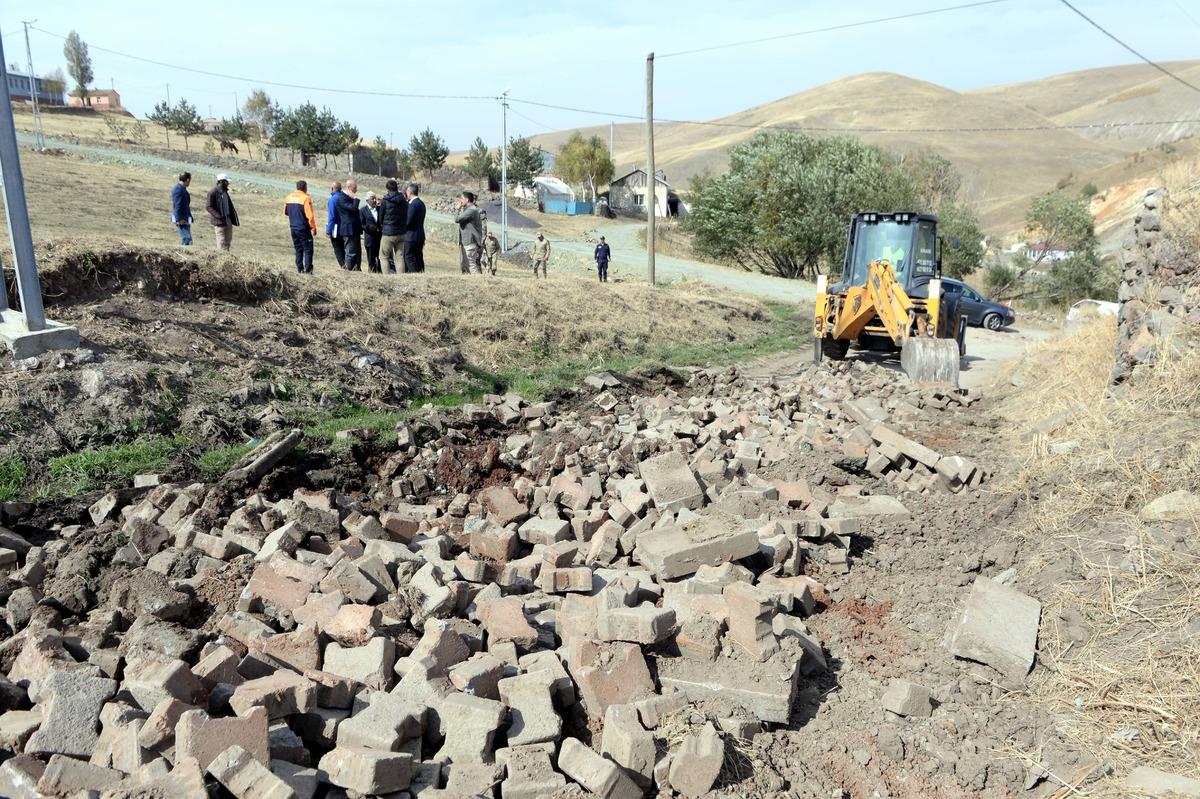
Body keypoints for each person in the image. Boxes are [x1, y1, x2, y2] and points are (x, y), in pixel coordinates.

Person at [284, 180, 317, 274]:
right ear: (305, 187)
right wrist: (313, 227)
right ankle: (308, 270)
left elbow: (286, 212)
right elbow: (309, 215)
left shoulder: (288, 197)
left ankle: (299, 268)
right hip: (303, 228)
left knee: (298, 248)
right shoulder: (306, 198)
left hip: (293, 227)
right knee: (308, 249)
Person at [379, 179, 408, 274]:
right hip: (401, 232)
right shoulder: (403, 200)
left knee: (384, 256)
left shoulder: (385, 201)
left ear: (387, 189)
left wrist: (382, 225)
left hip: (388, 233)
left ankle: (387, 278)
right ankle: (401, 278)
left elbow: (380, 217)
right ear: (397, 188)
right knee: (399, 257)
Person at [206, 173, 239, 251]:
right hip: (219, 221)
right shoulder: (212, 192)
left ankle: (226, 255)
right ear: (221, 182)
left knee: (228, 239)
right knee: (221, 240)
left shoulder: (225, 192)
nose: (228, 183)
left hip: (227, 219)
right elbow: (209, 207)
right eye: (226, 182)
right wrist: (217, 215)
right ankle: (221, 256)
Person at [336, 180, 363, 271]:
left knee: (357, 252)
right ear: (349, 188)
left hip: (355, 229)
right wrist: (355, 198)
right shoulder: (342, 198)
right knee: (350, 252)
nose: (356, 191)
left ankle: (357, 269)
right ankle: (349, 271)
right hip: (348, 229)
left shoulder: (349, 197)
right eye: (355, 188)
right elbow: (352, 208)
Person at [454, 191, 484, 275]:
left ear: (467, 200)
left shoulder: (471, 210)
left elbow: (457, 219)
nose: (460, 201)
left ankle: (481, 283)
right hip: (466, 241)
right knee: (465, 266)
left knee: (471, 265)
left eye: (462, 199)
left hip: (470, 241)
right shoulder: (469, 209)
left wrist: (457, 209)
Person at [403, 182, 426, 273]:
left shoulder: (413, 205)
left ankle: (414, 274)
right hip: (420, 235)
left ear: (410, 192)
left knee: (408, 256)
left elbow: (408, 221)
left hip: (411, 235)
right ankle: (421, 272)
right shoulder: (421, 203)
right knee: (418, 256)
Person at [360, 191, 383, 273]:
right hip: (370, 238)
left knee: (380, 258)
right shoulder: (363, 211)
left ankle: (380, 272)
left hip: (380, 238)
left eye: (375, 198)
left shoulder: (380, 209)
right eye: (372, 199)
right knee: (371, 259)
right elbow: (361, 224)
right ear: (367, 200)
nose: (374, 200)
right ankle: (372, 273)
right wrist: (368, 227)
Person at [325, 181, 346, 268]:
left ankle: (344, 267)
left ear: (332, 188)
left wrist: (328, 231)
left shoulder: (333, 199)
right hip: (346, 228)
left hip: (336, 230)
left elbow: (332, 216)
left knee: (338, 249)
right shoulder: (344, 197)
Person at [171, 172, 193, 245]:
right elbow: (177, 205)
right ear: (187, 180)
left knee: (188, 239)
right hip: (181, 218)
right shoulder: (178, 189)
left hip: (185, 217)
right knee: (187, 239)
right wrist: (179, 219)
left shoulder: (182, 189)